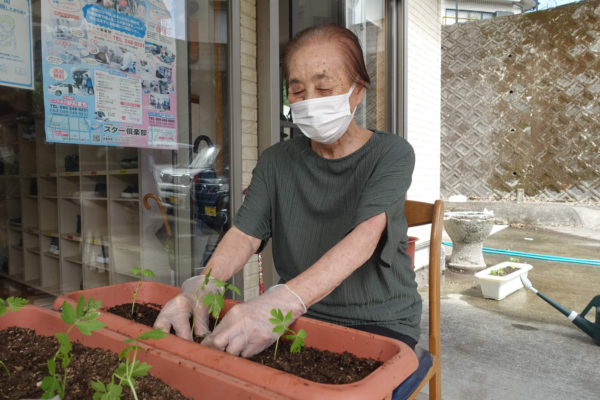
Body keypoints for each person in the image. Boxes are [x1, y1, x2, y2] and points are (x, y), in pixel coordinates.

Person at [154, 24, 420, 358]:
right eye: (297, 91)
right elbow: (245, 234)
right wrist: (203, 287)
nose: (309, 101)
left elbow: (364, 238)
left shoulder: (391, 153)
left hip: (379, 319)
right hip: (297, 318)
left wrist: (279, 303)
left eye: (323, 87)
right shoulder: (276, 159)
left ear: (357, 90)